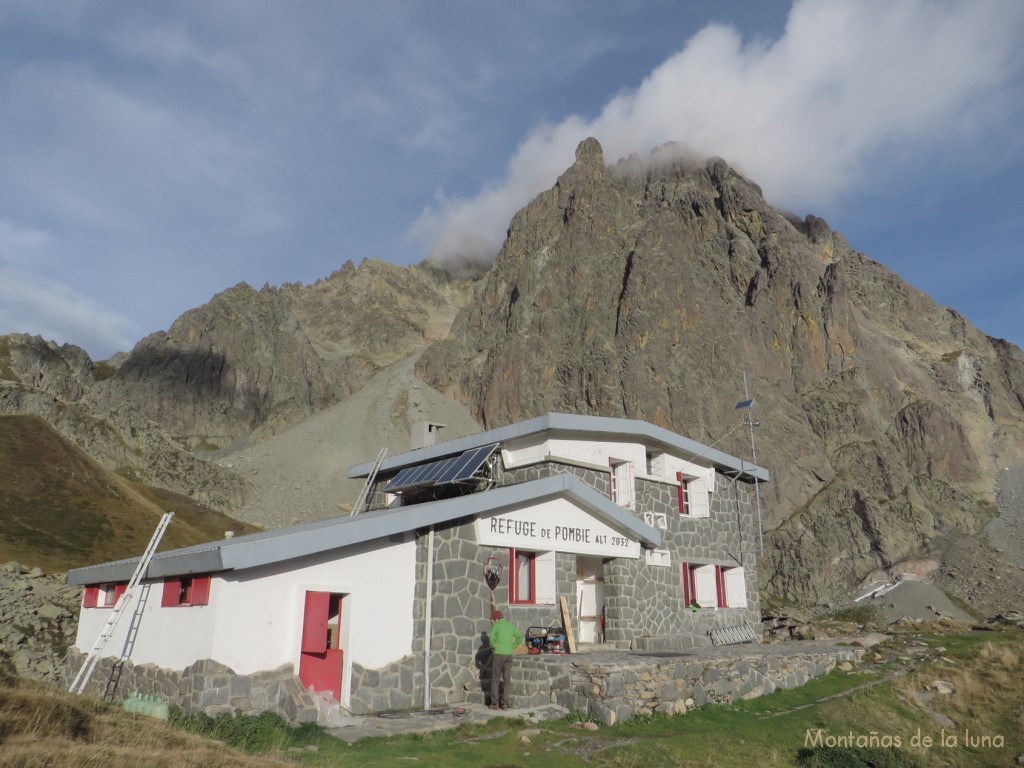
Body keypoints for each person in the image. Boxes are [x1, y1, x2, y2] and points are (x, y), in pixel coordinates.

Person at [488, 609, 523, 709]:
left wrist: (494, 647)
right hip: (508, 655)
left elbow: (491, 640)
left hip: (498, 655)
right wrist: (512, 646)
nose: (494, 622)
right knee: (507, 679)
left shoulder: (496, 626)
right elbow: (520, 637)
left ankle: (495, 703)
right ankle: (504, 703)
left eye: (494, 620)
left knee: (495, 679)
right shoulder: (510, 625)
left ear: (496, 619)